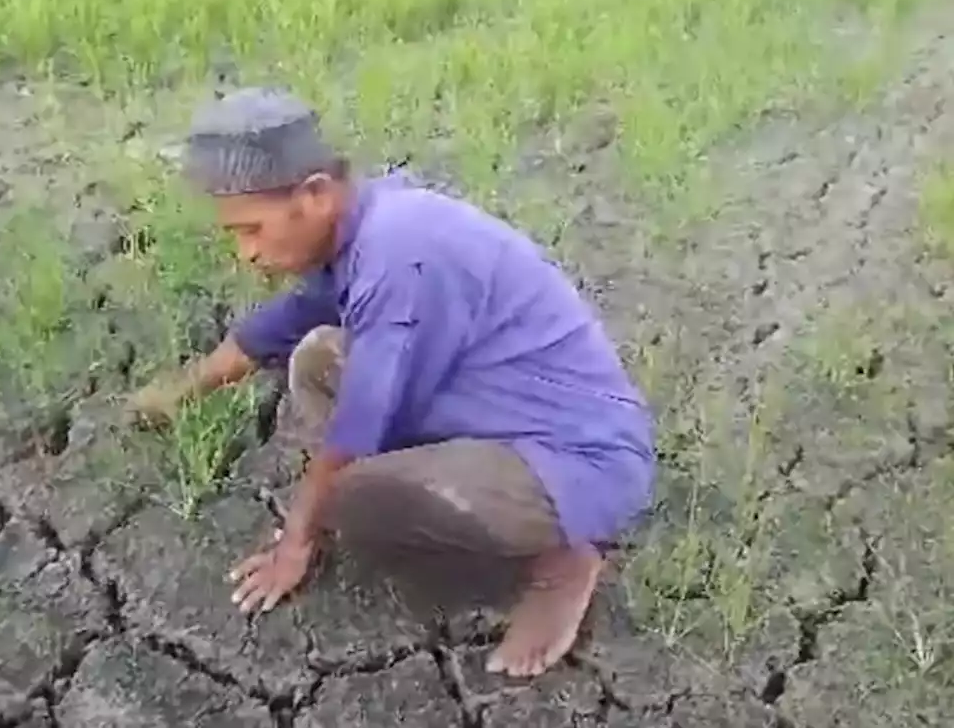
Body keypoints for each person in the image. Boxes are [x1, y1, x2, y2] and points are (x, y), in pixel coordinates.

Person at [123, 87, 655, 678]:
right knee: (316, 357)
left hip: (578, 457)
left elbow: (353, 431)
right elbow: (277, 327)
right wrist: (179, 390)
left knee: (354, 499)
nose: (245, 253)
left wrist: (298, 538)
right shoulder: (364, 226)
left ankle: (568, 556)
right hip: (492, 409)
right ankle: (444, 484)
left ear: (317, 195)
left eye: (252, 230)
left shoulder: (399, 252)